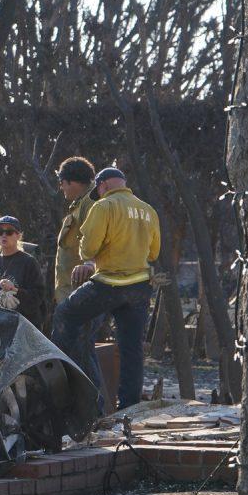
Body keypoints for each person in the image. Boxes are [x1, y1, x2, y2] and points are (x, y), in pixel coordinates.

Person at [51, 166, 160, 412]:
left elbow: (87, 250)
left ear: (102, 186)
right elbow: (154, 252)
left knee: (65, 316)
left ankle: (58, 386)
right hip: (140, 286)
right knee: (131, 348)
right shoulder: (148, 210)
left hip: (109, 283)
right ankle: (128, 409)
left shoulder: (103, 206)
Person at [0, 216, 46, 328]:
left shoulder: (29, 262)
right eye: (0, 231)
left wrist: (14, 290)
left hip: (24, 328)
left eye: (9, 232)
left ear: (18, 235)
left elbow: (38, 298)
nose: (4, 235)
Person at [54, 157, 98, 305]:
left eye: (62, 183)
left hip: (81, 293)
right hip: (70, 291)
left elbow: (95, 237)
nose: (61, 187)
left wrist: (89, 264)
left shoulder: (91, 201)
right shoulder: (80, 204)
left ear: (72, 182)